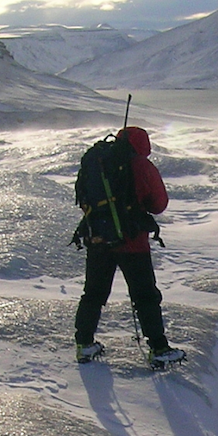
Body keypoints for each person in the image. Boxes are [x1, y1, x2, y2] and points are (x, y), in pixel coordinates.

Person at [74, 126, 184, 366]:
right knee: (145, 295)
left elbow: (83, 197)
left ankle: (84, 344)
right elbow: (158, 204)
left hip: (98, 239)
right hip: (132, 243)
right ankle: (159, 348)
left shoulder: (97, 161)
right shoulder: (141, 165)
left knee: (93, 293)